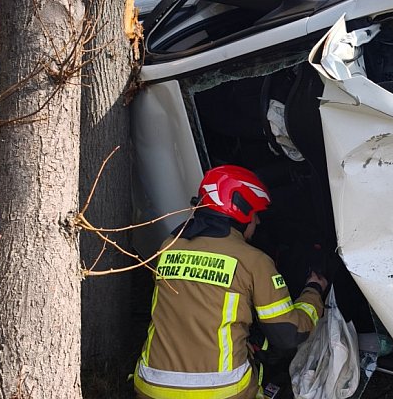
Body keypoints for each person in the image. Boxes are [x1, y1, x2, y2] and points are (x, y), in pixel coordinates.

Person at [134, 165, 328, 399]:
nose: (257, 222)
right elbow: (287, 335)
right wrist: (314, 291)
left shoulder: (168, 246)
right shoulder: (253, 261)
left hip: (151, 387)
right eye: (255, 214)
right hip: (223, 392)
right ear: (241, 211)